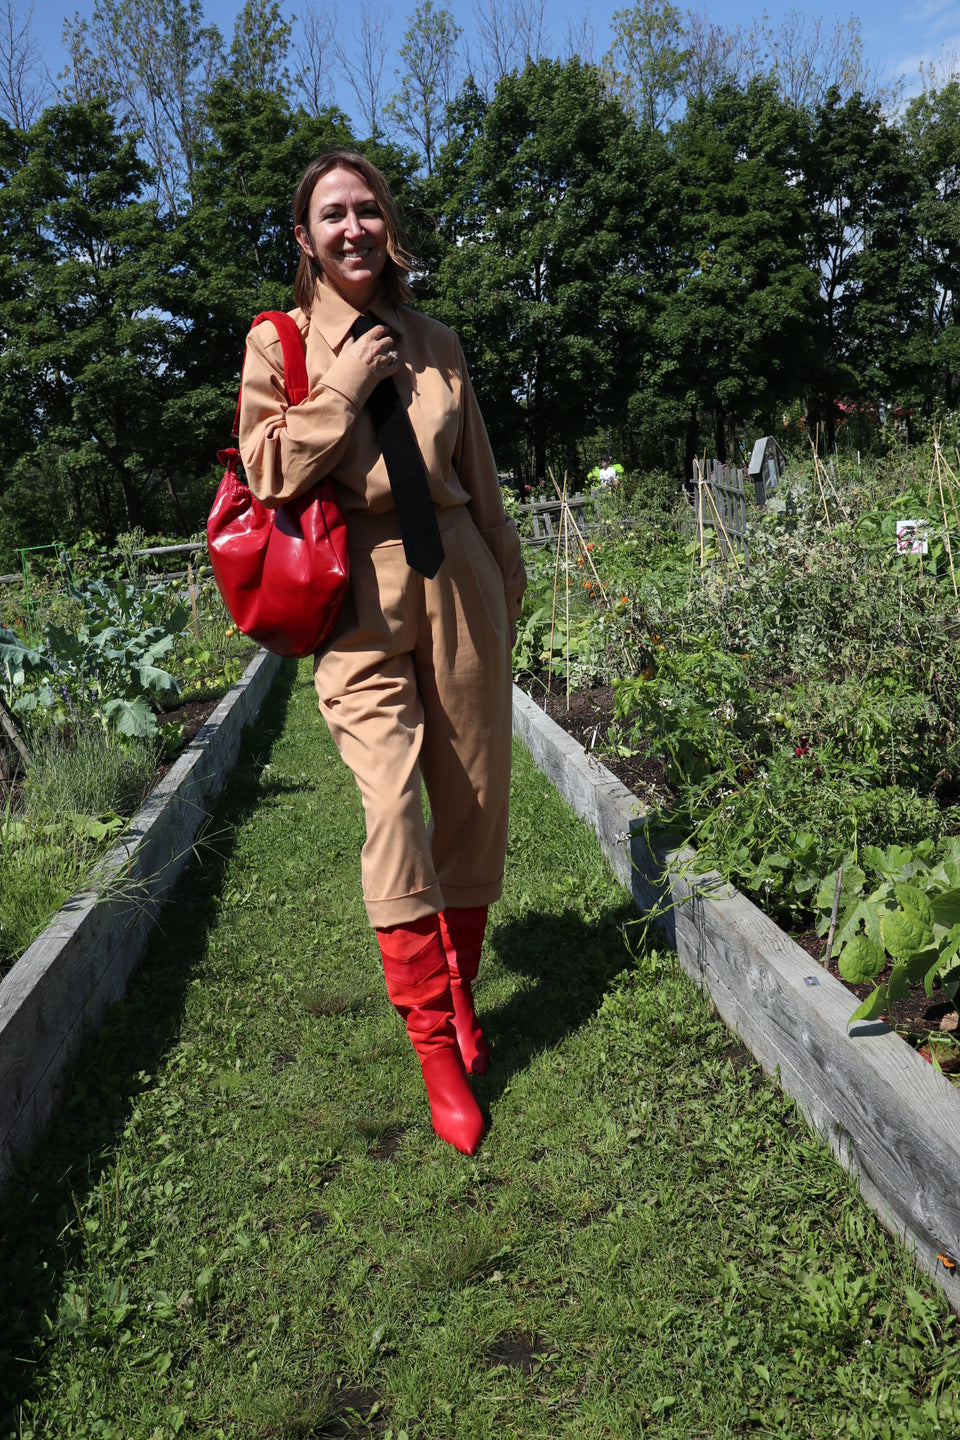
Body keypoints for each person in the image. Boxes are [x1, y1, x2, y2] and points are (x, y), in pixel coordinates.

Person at [238, 150, 526, 1156]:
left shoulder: (438, 340)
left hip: (461, 578)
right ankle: (435, 1045)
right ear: (306, 237)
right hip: (355, 591)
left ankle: (464, 996)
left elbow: (480, 478)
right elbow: (269, 469)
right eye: (332, 214)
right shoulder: (280, 344)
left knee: (476, 800)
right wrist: (343, 387)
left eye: (367, 209)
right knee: (394, 803)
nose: (353, 227)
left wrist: (506, 586)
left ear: (387, 223)